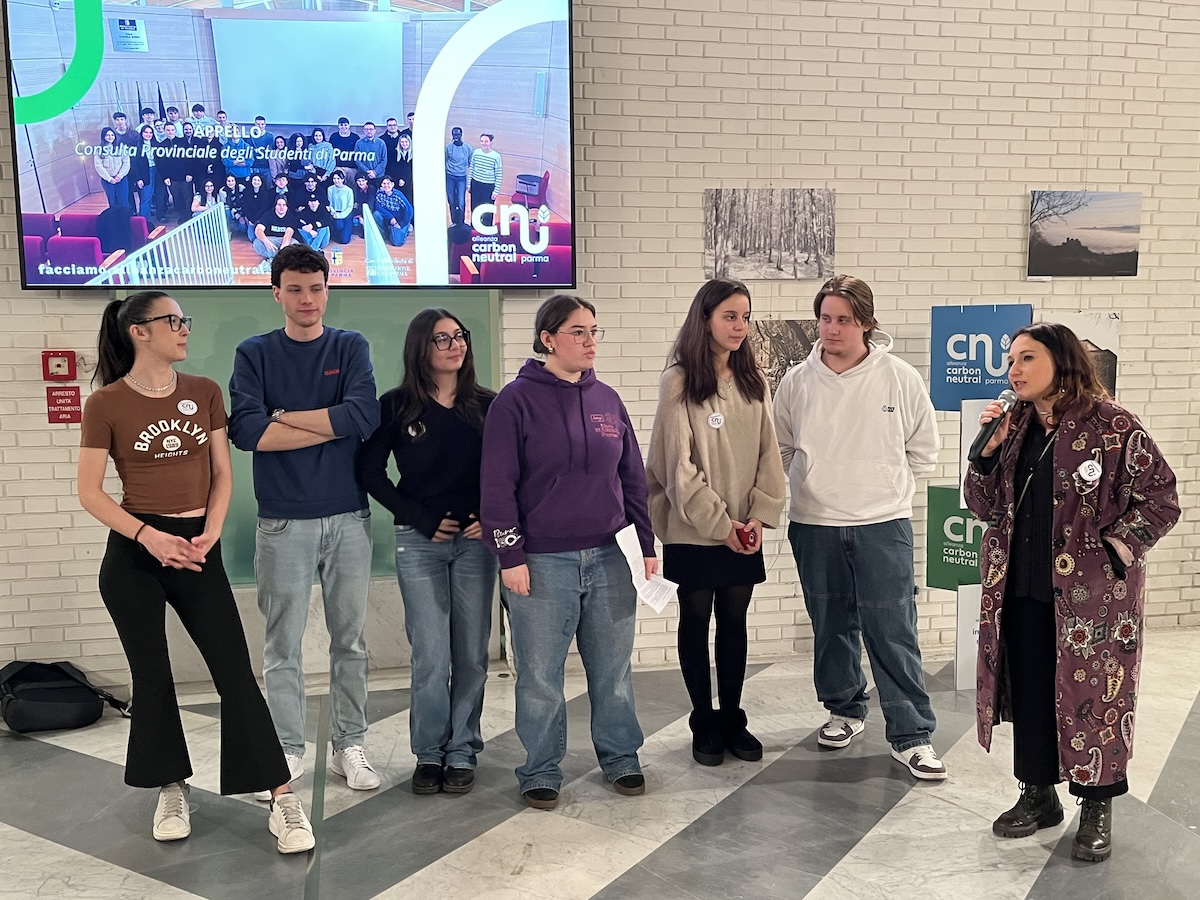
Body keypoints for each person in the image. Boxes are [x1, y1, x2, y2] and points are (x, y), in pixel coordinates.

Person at [77, 291, 315, 854]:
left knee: (234, 672)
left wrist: (209, 531)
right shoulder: (105, 403)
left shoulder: (204, 391)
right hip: (136, 554)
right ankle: (171, 787)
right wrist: (149, 536)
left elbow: (222, 474)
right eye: (174, 320)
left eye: (185, 320)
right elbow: (90, 492)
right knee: (153, 678)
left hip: (196, 547)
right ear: (139, 331)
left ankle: (281, 797)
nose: (185, 328)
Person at [964, 322, 1178, 863]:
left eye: (1027, 358)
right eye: (1011, 360)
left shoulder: (1113, 425)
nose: (1014, 370)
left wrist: (1113, 552)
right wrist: (985, 455)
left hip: (1093, 603)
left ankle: (1097, 805)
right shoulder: (1013, 426)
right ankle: (1038, 794)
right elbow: (984, 506)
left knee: (1097, 702)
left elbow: (1161, 497)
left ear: (1061, 362)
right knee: (1033, 692)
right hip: (1021, 590)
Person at [480, 295, 656, 811]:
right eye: (578, 331)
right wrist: (510, 556)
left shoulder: (608, 400)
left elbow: (633, 481)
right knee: (540, 675)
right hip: (542, 562)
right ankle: (540, 768)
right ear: (548, 338)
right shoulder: (514, 402)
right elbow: (497, 487)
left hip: (611, 557)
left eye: (594, 331)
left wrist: (646, 548)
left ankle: (621, 756)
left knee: (613, 670)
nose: (590, 341)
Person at [774, 275, 947, 780]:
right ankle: (844, 710)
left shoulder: (899, 377)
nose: (831, 329)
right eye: (825, 319)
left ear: (866, 323)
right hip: (815, 523)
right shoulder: (796, 382)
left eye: (843, 320)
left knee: (893, 629)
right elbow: (780, 447)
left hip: (883, 524)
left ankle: (912, 735)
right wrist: (816, 485)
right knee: (831, 625)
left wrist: (882, 488)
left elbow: (924, 450)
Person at [228, 244, 382, 798]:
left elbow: (363, 416)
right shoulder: (254, 353)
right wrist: (326, 424)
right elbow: (247, 432)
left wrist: (282, 417)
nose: (307, 299)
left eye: (316, 288)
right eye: (295, 289)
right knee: (282, 646)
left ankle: (349, 745)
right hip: (283, 522)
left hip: (348, 516)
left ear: (327, 290)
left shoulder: (350, 346)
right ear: (277, 294)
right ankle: (286, 749)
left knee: (351, 642)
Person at [645, 278, 785, 766]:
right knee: (695, 619)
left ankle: (732, 718)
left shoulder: (753, 381)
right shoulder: (678, 381)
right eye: (729, 316)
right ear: (704, 319)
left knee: (734, 621)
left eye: (745, 316)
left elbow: (770, 455)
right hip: (694, 529)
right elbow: (675, 468)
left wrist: (758, 517)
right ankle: (703, 719)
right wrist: (721, 525)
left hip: (744, 530)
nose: (740, 326)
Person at [358, 309, 498, 796]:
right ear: (421, 346)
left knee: (472, 653)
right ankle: (430, 753)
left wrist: (491, 516)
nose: (455, 345)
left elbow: (510, 470)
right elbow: (369, 472)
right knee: (432, 655)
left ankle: (462, 750)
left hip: (477, 544)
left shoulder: (488, 405)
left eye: (459, 336)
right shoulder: (396, 406)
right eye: (442, 338)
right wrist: (419, 517)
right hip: (419, 543)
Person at [468, 133, 502, 226]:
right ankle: (474, 228)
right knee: (474, 208)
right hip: (475, 184)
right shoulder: (476, 152)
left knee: (488, 210)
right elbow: (471, 168)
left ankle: (487, 229)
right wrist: (469, 184)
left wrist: (496, 191)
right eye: (482, 141)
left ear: (491, 142)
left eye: (486, 141)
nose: (484, 143)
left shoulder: (496, 156)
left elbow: (499, 174)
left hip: (488, 186)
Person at [95, 127, 131, 210]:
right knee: (113, 202)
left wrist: (119, 176)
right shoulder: (99, 150)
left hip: (121, 179)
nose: (110, 137)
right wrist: (109, 178)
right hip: (107, 180)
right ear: (103, 136)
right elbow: (98, 166)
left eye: (112, 135)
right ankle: (115, 218)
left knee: (124, 202)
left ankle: (125, 217)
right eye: (108, 135)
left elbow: (126, 163)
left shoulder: (121, 148)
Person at [372, 176, 413, 246]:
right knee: (376, 214)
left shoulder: (398, 194)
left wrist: (402, 223)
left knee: (397, 242)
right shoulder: (379, 193)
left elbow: (409, 209)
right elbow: (378, 207)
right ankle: (384, 233)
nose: (386, 186)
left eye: (388, 183)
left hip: (399, 220)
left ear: (392, 184)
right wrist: (391, 218)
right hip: (389, 219)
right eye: (384, 183)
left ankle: (406, 228)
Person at [445, 127, 472, 226]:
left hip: (461, 177)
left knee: (461, 201)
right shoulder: (448, 147)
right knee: (451, 200)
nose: (456, 136)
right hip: (450, 177)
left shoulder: (467, 148)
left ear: (461, 135)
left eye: (457, 134)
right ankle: (454, 222)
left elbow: (470, 162)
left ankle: (461, 223)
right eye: (454, 134)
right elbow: (445, 160)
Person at [129, 125, 157, 220]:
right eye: (146, 132)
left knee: (154, 195)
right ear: (141, 133)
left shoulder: (156, 144)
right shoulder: (136, 146)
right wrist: (138, 179)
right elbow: (134, 164)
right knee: (145, 198)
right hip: (145, 173)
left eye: (150, 132)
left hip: (156, 170)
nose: (148, 134)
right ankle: (144, 221)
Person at [240, 172, 270, 240]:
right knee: (252, 238)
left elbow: (264, 208)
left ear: (261, 182)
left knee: (259, 237)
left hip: (260, 218)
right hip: (250, 219)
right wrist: (250, 220)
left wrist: (255, 219)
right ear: (251, 180)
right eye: (255, 180)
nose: (256, 182)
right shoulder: (246, 191)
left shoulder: (265, 193)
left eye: (258, 180)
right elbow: (245, 207)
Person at [327, 170, 355, 245]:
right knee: (339, 226)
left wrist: (340, 215)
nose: (336, 181)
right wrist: (334, 213)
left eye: (338, 178)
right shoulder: (330, 189)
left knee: (344, 240)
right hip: (334, 213)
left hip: (346, 214)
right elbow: (330, 203)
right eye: (334, 178)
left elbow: (350, 206)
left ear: (343, 179)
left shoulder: (349, 190)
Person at [394, 134, 414, 219]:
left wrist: (405, 179)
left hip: (410, 183)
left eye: (406, 142)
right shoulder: (395, 153)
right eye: (402, 142)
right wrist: (399, 179)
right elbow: (393, 168)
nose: (404, 144)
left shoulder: (414, 154)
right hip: (398, 182)